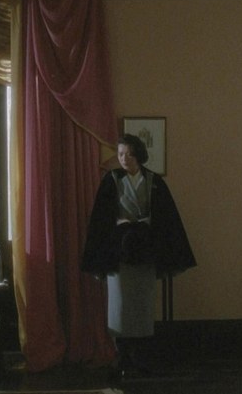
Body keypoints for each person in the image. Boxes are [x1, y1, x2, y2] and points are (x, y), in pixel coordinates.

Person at [81, 133, 196, 379]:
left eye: (129, 154)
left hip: (145, 249)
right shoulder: (111, 180)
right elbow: (101, 218)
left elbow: (166, 217)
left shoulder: (153, 181)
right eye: (120, 154)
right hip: (120, 249)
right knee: (120, 304)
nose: (124, 159)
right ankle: (121, 356)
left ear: (139, 155)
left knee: (143, 304)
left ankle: (141, 357)